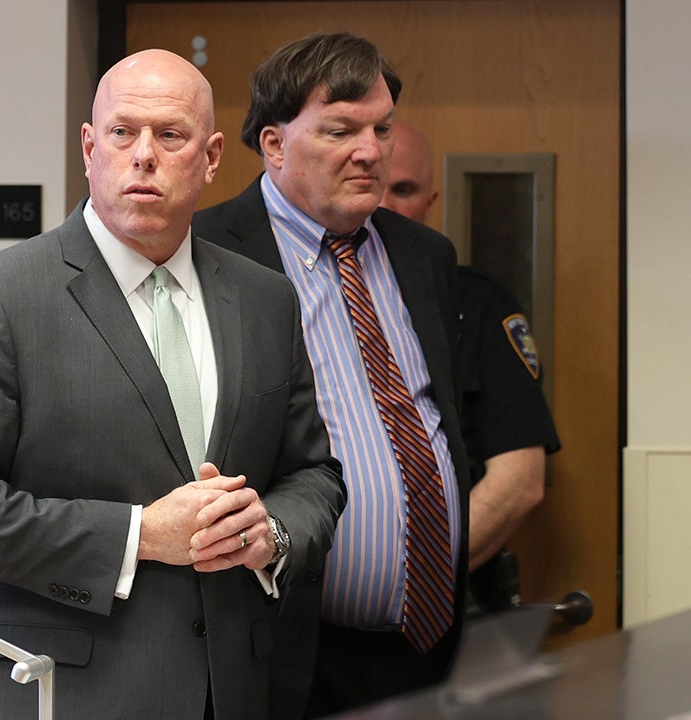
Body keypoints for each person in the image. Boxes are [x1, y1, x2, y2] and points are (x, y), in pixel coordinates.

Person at [0, 49, 344, 720]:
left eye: (170, 136)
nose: (144, 155)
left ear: (212, 155)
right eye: (122, 132)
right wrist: (137, 535)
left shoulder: (264, 299)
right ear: (88, 147)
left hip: (233, 693)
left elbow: (314, 473)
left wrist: (272, 534)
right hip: (65, 693)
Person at [194, 33, 469, 717]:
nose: (371, 150)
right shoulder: (206, 255)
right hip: (289, 649)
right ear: (275, 144)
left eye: (381, 128)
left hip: (433, 643)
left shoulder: (424, 254)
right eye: (341, 130)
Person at [380, 122, 561, 614]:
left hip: (451, 600)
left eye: (405, 190)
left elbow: (519, 481)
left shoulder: (477, 303)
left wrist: (416, 580)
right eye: (376, 187)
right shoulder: (286, 296)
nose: (385, 207)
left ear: (430, 200)